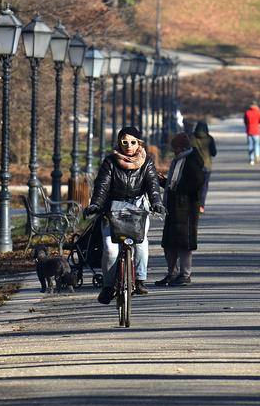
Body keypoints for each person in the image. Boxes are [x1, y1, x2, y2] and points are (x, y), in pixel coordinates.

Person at [84, 125, 165, 304]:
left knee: (141, 243)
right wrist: (96, 204)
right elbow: (102, 186)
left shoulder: (147, 162)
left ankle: (140, 279)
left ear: (139, 143)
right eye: (125, 142)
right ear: (119, 143)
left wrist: (157, 203)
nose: (129, 145)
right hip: (112, 209)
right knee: (110, 249)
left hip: (137, 210)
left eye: (133, 142)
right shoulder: (110, 162)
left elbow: (153, 185)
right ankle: (108, 286)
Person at [155, 133, 207, 286]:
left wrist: (179, 190)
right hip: (174, 207)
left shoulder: (191, 160)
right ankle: (172, 273)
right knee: (169, 244)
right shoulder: (179, 160)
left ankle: (184, 274)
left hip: (186, 209)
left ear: (181, 148)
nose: (174, 152)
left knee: (184, 244)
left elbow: (197, 182)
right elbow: (174, 184)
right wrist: (164, 182)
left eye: (175, 149)